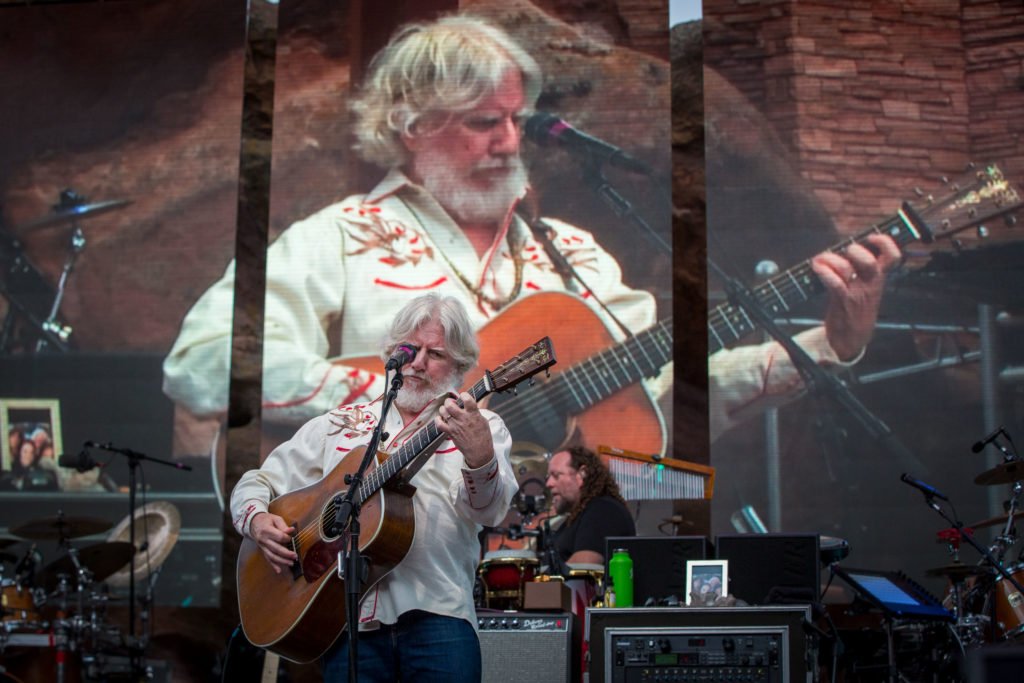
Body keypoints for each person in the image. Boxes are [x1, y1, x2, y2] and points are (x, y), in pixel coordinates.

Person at [162, 14, 661, 439]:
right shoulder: (340, 235)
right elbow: (206, 358)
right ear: (413, 126)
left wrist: (740, 368)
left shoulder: (570, 252)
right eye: (485, 122)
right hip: (383, 532)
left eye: (517, 120)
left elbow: (657, 380)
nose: (510, 143)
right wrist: (405, 401)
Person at [231, 293, 516, 682]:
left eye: (435, 354)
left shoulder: (479, 425)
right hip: (347, 625)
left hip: (438, 618)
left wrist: (480, 456)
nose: (417, 363)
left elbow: (488, 511)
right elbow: (258, 480)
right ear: (391, 353)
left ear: (460, 365)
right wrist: (258, 520)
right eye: (410, 349)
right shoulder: (340, 423)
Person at [708, 232, 900, 441]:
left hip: (678, 470)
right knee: (684, 475)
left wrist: (831, 345)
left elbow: (715, 378)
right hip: (671, 471)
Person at [542, 446, 635, 571]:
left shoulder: (603, 510)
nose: (549, 483)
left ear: (582, 474)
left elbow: (583, 568)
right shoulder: (581, 515)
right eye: (548, 477)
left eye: (556, 475)